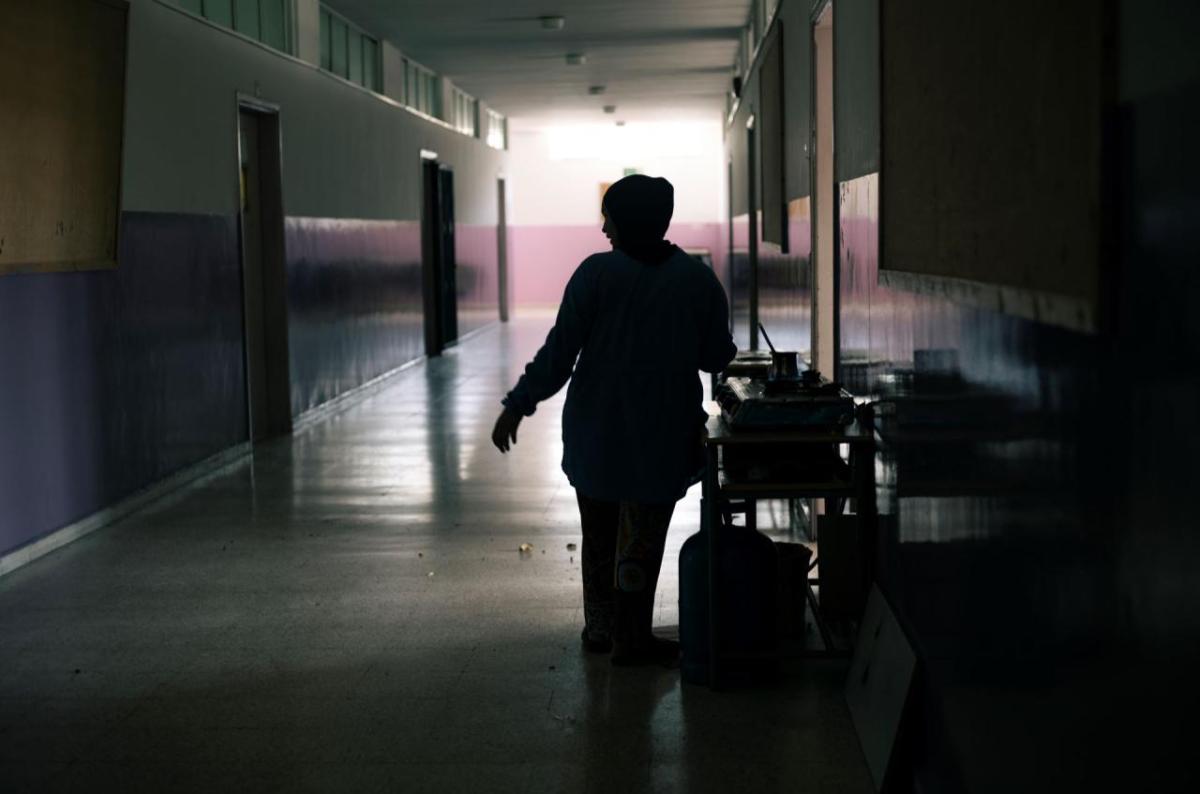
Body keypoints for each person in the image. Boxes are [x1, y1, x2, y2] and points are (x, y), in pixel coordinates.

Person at [491, 174, 737, 666]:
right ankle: (632, 636)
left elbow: (559, 355)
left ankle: (601, 630)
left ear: (626, 221)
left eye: (610, 217)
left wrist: (519, 402)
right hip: (660, 437)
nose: (604, 227)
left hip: (596, 434)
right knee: (641, 541)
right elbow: (715, 357)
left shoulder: (594, 276)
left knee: (599, 536)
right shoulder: (695, 280)